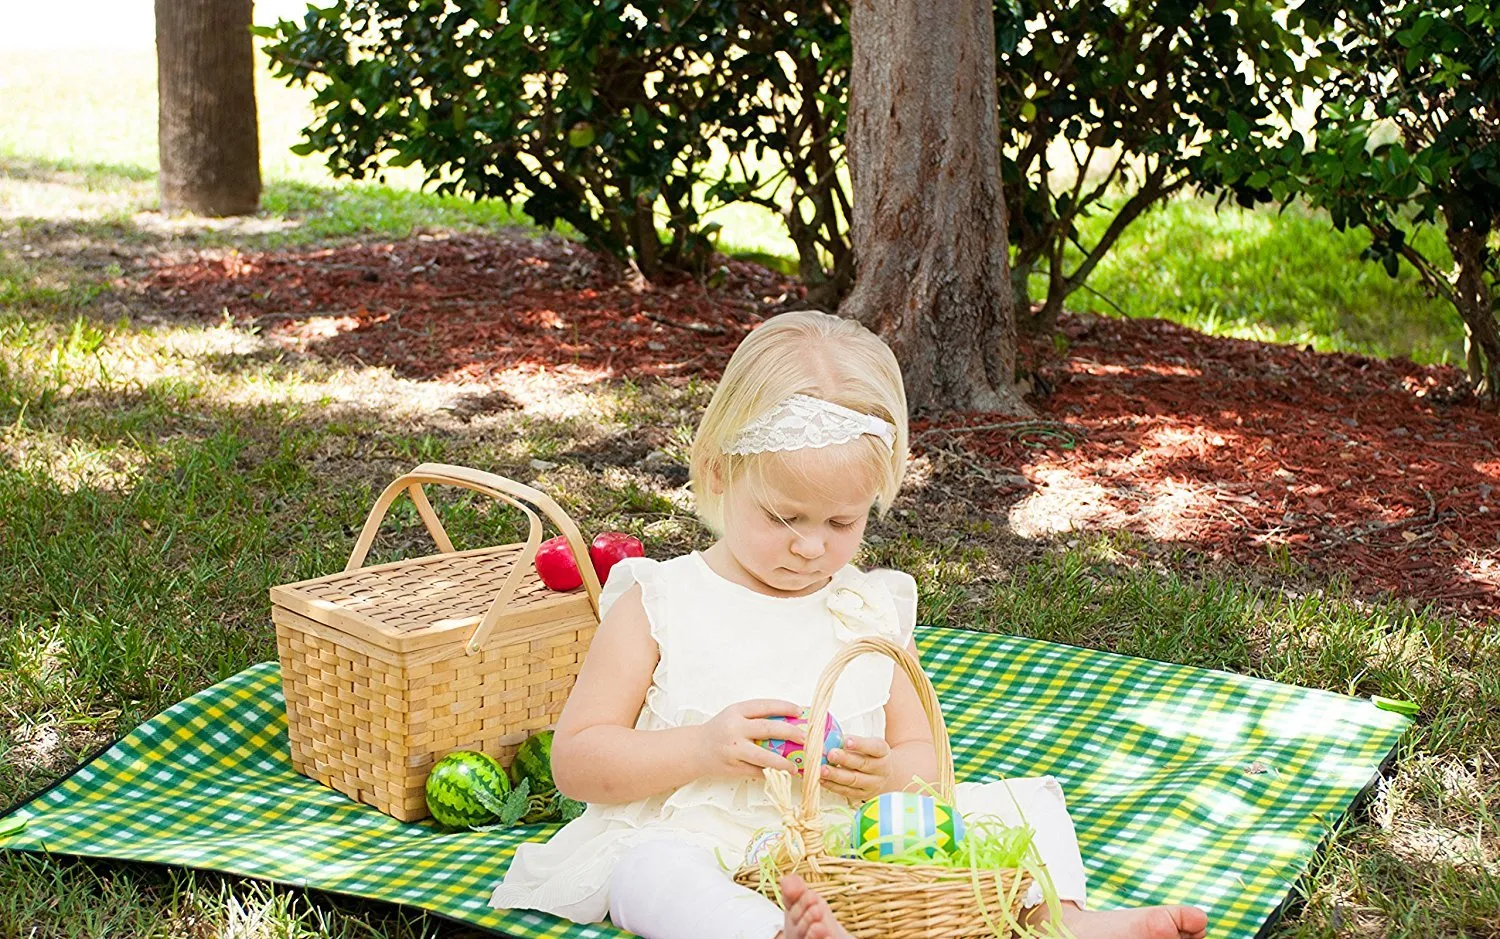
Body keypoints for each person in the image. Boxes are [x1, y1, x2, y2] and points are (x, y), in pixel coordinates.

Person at [491, 311, 1208, 939]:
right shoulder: (661, 601)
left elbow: (927, 758)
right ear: (715, 473)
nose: (812, 545)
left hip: (854, 846)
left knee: (1026, 802)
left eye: (842, 521)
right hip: (705, 839)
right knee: (647, 874)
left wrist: (891, 774)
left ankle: (1057, 916)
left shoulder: (867, 608)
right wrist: (703, 747)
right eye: (783, 517)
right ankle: (772, 931)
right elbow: (577, 761)